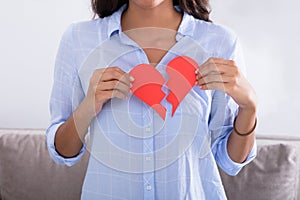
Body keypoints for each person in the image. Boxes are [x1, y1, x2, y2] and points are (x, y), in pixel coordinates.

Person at [46, 0, 257, 199]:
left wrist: (249, 107)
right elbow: (63, 152)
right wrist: (88, 107)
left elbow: (231, 161)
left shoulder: (220, 42)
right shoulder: (79, 40)